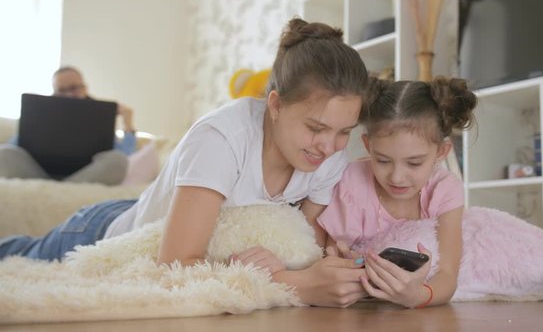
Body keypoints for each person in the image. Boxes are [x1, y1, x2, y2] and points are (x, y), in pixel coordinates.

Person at [0, 18, 372, 308]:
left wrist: (333, 266)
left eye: (344, 132)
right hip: (103, 235)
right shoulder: (222, 139)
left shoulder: (332, 155)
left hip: (166, 214)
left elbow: (302, 246)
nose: (329, 147)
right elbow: (175, 266)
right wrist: (294, 284)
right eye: (315, 128)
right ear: (275, 105)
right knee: (18, 256)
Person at [317, 77, 477, 308]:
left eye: (414, 163)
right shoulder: (352, 182)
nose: (396, 177)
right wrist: (350, 266)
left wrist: (419, 296)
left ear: (441, 151)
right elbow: (331, 260)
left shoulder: (445, 189)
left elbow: (448, 274)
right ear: (367, 145)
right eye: (382, 160)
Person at [0, 66, 137, 185]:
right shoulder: (42, 114)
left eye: (73, 88)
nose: (69, 95)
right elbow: (14, 148)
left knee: (117, 161)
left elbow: (125, 156)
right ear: (54, 93)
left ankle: (56, 190)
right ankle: (59, 190)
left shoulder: (99, 116)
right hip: (39, 173)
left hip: (87, 175)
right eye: (62, 90)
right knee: (4, 153)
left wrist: (128, 125)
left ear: (85, 88)